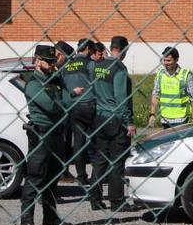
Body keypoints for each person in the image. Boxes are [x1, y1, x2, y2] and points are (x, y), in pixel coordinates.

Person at [88, 36, 138, 212]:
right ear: (124, 50)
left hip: (100, 117)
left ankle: (94, 199)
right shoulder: (119, 69)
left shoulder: (98, 66)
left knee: (100, 159)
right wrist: (129, 122)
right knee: (117, 161)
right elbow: (121, 99)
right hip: (115, 119)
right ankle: (117, 201)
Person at [20, 45, 66, 225]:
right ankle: (27, 218)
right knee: (36, 176)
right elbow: (52, 106)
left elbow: (65, 100)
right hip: (41, 134)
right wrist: (62, 102)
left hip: (55, 133)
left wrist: (62, 100)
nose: (52, 64)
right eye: (49, 61)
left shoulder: (53, 81)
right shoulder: (33, 83)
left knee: (52, 178)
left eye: (53, 61)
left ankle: (50, 216)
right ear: (38, 61)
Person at [60, 38, 96, 187]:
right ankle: (98, 176)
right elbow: (96, 83)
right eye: (92, 50)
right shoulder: (89, 63)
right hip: (89, 105)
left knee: (79, 142)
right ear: (87, 48)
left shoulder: (66, 65)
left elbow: (63, 86)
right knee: (96, 142)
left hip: (72, 107)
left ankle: (81, 176)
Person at [148, 46, 193, 128]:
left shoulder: (186, 75)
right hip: (164, 119)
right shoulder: (160, 74)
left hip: (181, 119)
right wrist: (152, 114)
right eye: (164, 60)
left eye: (168, 60)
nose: (165, 63)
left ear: (176, 60)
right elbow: (155, 94)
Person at [54, 41, 78, 184]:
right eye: (67, 58)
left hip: (66, 111)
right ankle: (60, 172)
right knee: (60, 144)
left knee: (67, 143)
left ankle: (64, 171)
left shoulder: (63, 69)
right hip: (58, 111)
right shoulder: (53, 70)